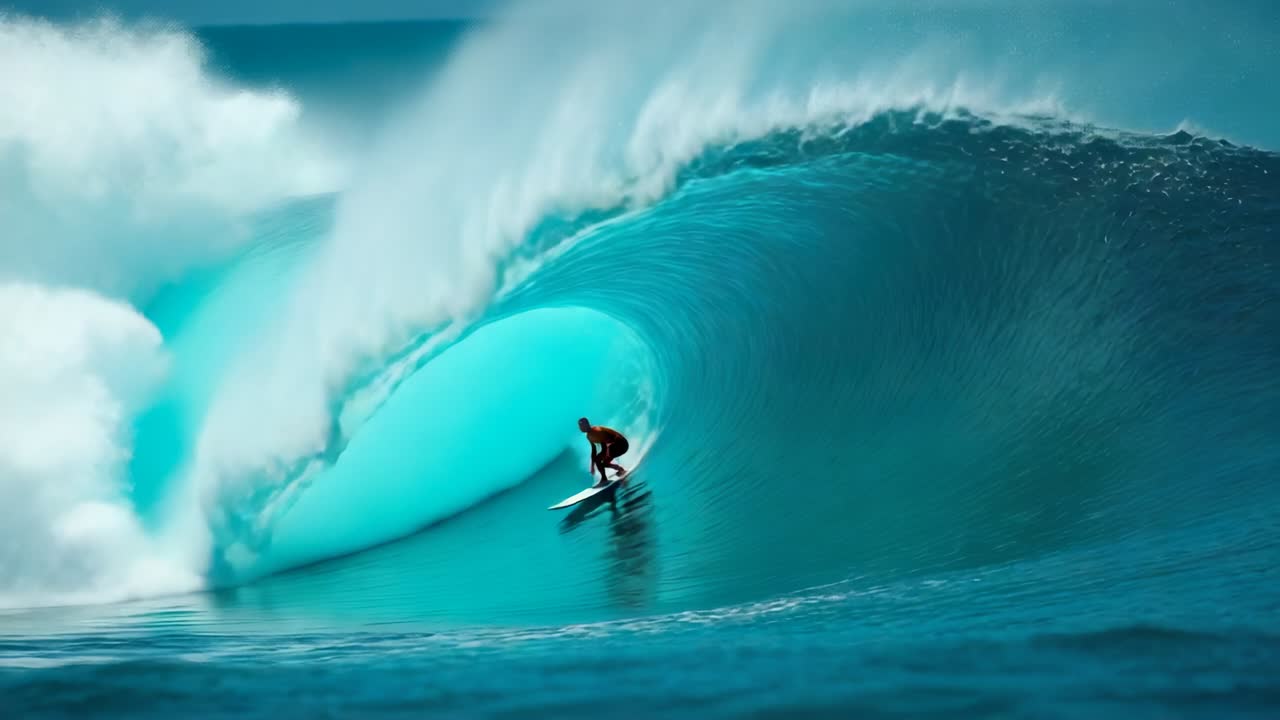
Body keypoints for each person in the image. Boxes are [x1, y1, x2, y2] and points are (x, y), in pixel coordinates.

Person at [579, 417, 628, 485]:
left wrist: (601, 458)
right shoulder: (589, 436)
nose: (580, 428)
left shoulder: (596, 431)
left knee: (600, 460)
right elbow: (594, 451)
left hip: (621, 445)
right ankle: (620, 470)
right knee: (600, 461)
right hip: (613, 447)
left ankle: (604, 478)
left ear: (585, 425)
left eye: (581, 426)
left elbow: (604, 447)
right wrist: (592, 466)